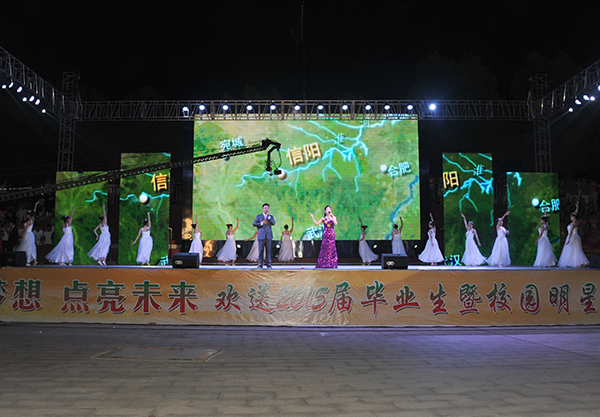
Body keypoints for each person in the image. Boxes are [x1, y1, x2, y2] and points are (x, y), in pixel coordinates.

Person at [558, 203, 589, 268]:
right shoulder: (576, 222)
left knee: (571, 250)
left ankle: (576, 262)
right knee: (576, 250)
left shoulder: (572, 224)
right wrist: (577, 207)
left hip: (572, 237)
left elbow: (571, 232)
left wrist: (569, 239)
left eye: (571, 216)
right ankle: (575, 262)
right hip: (576, 237)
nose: (571, 217)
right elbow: (576, 214)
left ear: (574, 217)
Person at [16, 201, 40, 265]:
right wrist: (35, 205)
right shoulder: (32, 219)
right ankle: (34, 260)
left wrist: (21, 234)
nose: (26, 215)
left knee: (28, 247)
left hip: (27, 235)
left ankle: (28, 261)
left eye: (27, 214)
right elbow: (34, 213)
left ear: (29, 215)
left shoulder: (29, 221)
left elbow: (25, 229)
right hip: (30, 235)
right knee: (30, 247)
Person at [253, 204, 275, 268]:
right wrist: (262, 223)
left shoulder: (271, 217)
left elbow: (273, 223)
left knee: (268, 250)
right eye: (265, 208)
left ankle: (268, 264)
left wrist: (269, 217)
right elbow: (254, 224)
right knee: (261, 250)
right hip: (261, 235)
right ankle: (260, 264)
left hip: (268, 235)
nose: (266, 209)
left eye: (267, 208)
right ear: (263, 209)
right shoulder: (259, 216)